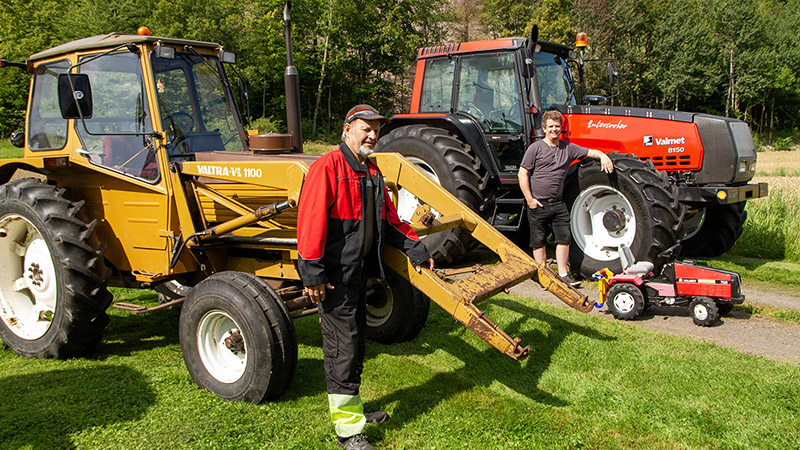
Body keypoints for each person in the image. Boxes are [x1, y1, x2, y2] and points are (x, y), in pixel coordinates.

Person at [297, 104, 434, 450]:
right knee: (342, 350)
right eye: (365, 128)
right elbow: (310, 223)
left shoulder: (370, 170)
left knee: (356, 347)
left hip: (360, 276)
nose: (372, 134)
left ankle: (354, 410)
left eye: (376, 129)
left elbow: (389, 220)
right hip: (334, 279)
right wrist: (312, 273)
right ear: (347, 129)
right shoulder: (326, 168)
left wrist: (416, 248)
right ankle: (349, 433)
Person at [518, 109, 614, 287]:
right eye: (551, 126)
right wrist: (530, 199)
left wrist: (603, 155)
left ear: (560, 128)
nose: (554, 129)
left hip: (558, 202)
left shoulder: (568, 148)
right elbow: (523, 173)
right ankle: (544, 275)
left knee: (563, 238)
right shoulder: (535, 148)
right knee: (538, 240)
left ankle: (563, 274)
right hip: (538, 202)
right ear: (544, 128)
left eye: (557, 126)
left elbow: (590, 152)